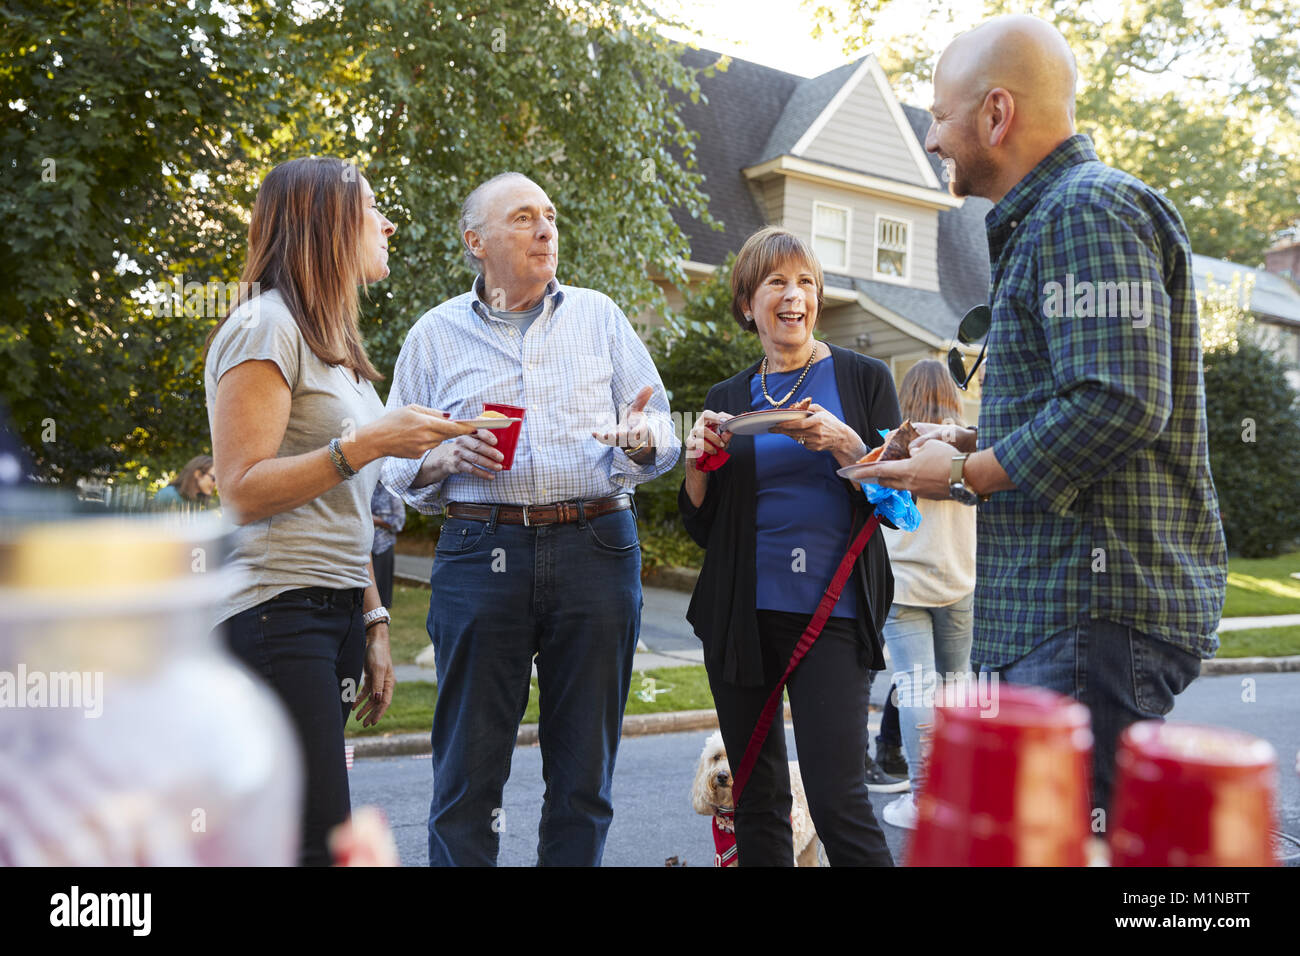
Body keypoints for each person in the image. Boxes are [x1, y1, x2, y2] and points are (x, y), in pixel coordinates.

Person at [854, 15, 1228, 815]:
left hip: (1090, 615)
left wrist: (959, 474)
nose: (929, 138)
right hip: (1067, 622)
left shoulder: (1083, 210)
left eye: (939, 115)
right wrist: (958, 439)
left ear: (996, 113)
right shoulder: (1056, 220)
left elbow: (1118, 400)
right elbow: (1080, 404)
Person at [381, 171, 680, 867]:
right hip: (480, 547)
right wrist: (441, 454)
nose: (546, 228)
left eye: (549, 214)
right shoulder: (433, 336)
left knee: (583, 774)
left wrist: (642, 438)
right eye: (522, 217)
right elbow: (390, 469)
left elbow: (660, 430)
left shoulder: (600, 316)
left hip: (598, 545)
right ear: (475, 241)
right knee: (467, 772)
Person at [204, 156, 472, 865]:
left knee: (307, 836)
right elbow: (241, 488)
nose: (387, 223)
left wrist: (375, 618)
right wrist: (366, 444)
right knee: (319, 842)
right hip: (273, 612)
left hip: (331, 614)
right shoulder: (265, 326)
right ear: (324, 223)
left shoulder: (338, 352)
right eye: (372, 207)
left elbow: (343, 510)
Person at [680, 226, 899, 866]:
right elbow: (703, 526)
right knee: (757, 797)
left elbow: (900, 505)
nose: (793, 295)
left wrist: (847, 446)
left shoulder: (863, 379)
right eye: (776, 282)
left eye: (805, 282)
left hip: (835, 614)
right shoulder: (726, 399)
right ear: (748, 303)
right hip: (742, 618)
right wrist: (697, 464)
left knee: (837, 800)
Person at [874, 359, 976, 830]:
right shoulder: (969, 449)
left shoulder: (892, 445)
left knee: (916, 690)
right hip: (958, 581)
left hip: (905, 584)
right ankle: (958, 796)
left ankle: (923, 801)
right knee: (956, 690)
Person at [370, 481, 405, 608]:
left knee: (381, 598)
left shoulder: (392, 491)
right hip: (362, 548)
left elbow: (398, 521)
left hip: (383, 547)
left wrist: (376, 520)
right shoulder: (366, 487)